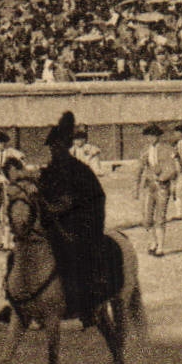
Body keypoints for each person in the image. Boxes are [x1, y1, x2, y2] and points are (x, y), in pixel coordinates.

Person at [38, 112, 109, 325]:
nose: (53, 151)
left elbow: (89, 200)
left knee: (79, 257)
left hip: (81, 224)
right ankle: (22, 301)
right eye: (51, 147)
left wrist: (61, 209)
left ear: (65, 147)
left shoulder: (80, 170)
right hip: (55, 223)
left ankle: (88, 305)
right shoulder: (49, 171)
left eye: (56, 147)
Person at [133, 123, 173, 257]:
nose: (150, 138)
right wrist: (136, 188)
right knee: (147, 218)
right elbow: (139, 169)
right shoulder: (144, 150)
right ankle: (153, 242)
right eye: (148, 136)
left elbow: (172, 169)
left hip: (162, 186)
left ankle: (160, 247)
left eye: (153, 135)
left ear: (158, 136)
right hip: (149, 186)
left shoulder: (167, 149)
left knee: (160, 217)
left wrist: (162, 177)